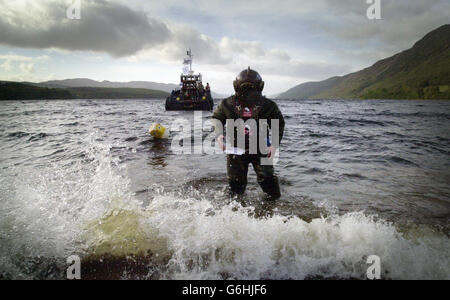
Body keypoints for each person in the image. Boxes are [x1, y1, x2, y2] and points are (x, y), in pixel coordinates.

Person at [212, 67, 285, 200]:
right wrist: (219, 136)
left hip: (262, 149)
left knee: (268, 181)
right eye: (245, 89)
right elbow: (217, 118)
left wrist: (274, 145)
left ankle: (273, 210)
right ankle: (237, 212)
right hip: (236, 150)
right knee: (235, 186)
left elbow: (278, 123)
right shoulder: (227, 104)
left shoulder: (268, 106)